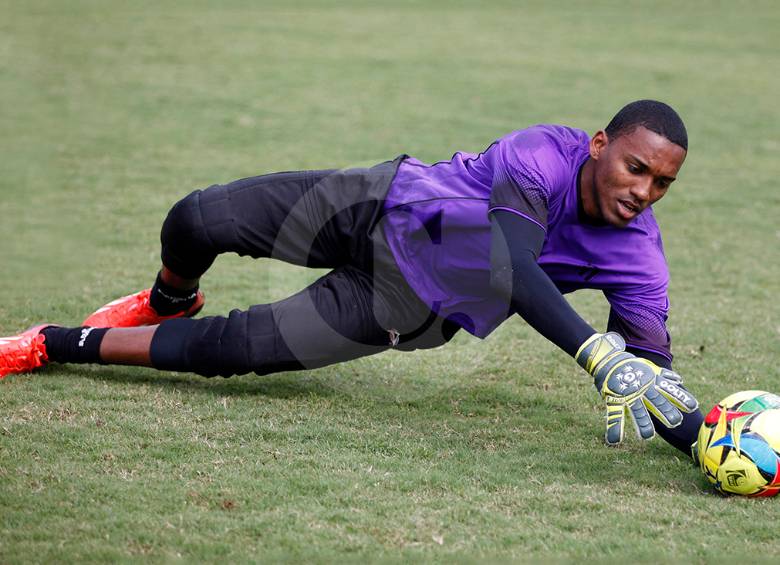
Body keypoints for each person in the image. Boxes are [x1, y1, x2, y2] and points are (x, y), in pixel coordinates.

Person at [0, 100, 702, 453]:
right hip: (377, 202)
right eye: (635, 168)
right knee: (197, 217)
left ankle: (50, 342)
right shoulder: (543, 154)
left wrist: (713, 442)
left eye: (662, 183)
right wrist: (596, 354)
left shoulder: (638, 256)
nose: (644, 190)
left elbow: (656, 376)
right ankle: (167, 300)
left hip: (406, 300)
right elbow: (509, 260)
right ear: (600, 144)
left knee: (237, 350)